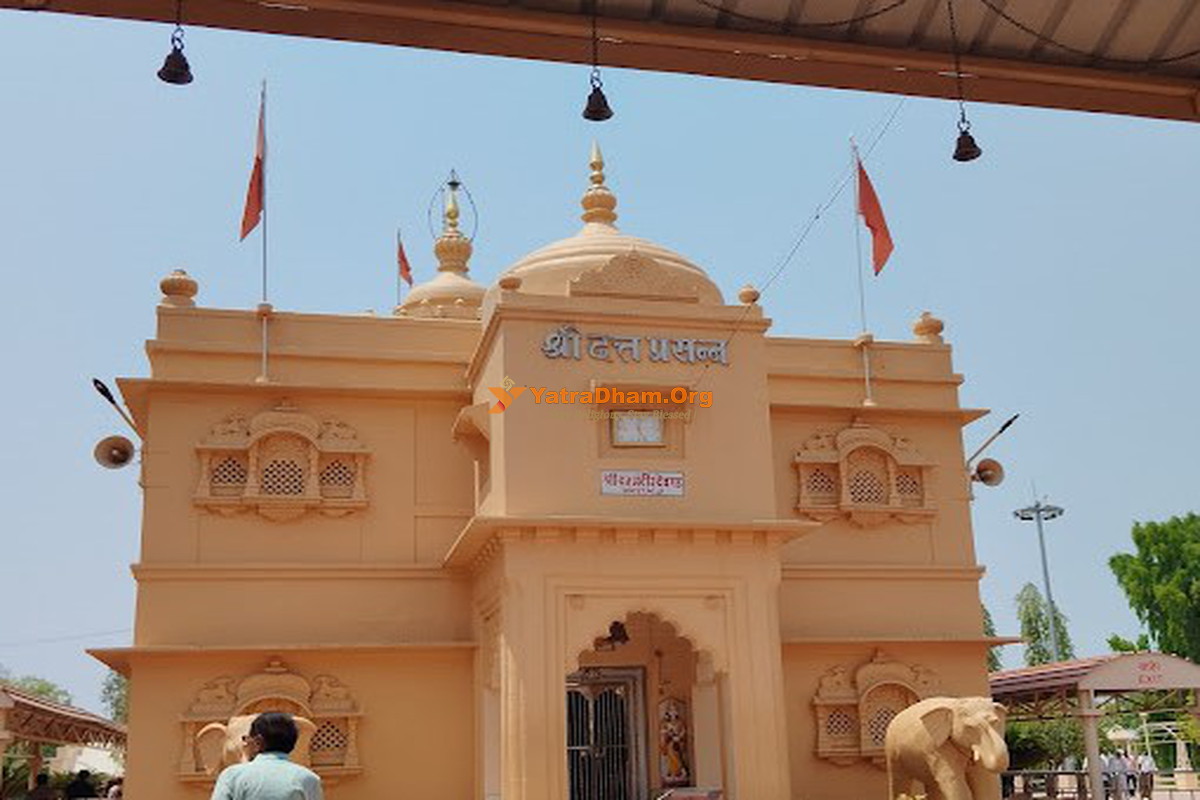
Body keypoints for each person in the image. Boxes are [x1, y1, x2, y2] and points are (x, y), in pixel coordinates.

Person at [209, 712, 323, 800]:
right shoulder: (309, 778)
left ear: (258, 741)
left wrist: (245, 757)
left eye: (247, 739)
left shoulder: (231, 775)